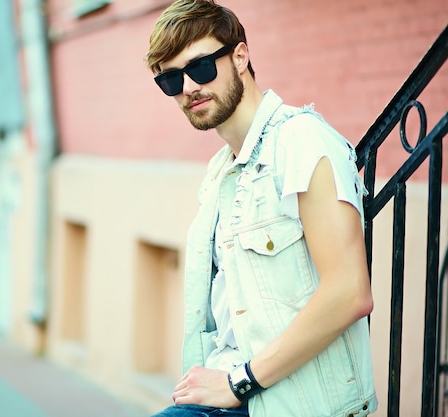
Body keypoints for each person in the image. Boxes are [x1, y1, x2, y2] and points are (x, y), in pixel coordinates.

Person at [144, 1, 378, 416]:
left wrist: (238, 381)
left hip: (288, 401)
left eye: (200, 68)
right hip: (228, 395)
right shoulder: (220, 175)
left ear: (240, 56)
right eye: (171, 80)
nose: (188, 88)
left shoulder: (301, 141)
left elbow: (349, 292)